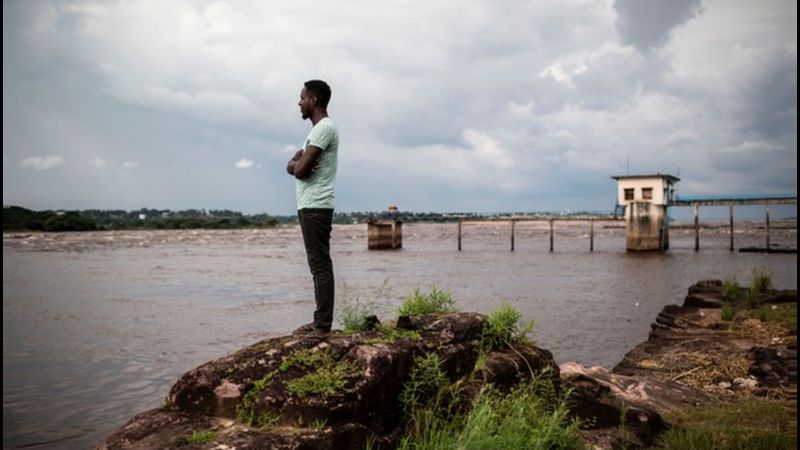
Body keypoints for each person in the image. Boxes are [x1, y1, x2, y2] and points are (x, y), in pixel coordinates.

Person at [286, 79, 339, 337]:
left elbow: (300, 170)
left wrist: (296, 164)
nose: (299, 102)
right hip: (310, 204)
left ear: (313, 100)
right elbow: (297, 166)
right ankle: (320, 320)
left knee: (320, 264)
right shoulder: (318, 130)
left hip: (316, 204)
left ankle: (322, 326)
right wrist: (295, 163)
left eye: (302, 97)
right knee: (316, 264)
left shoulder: (324, 129)